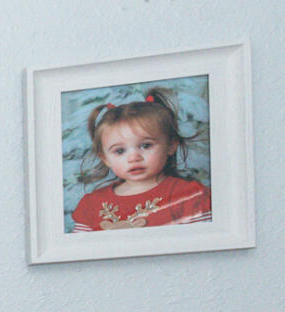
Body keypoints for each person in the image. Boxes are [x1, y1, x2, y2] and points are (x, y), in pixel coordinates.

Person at [70, 91, 211, 231]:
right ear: (105, 158)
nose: (133, 158)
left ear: (171, 145)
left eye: (146, 145)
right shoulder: (91, 205)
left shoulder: (190, 196)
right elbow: (80, 252)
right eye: (119, 151)